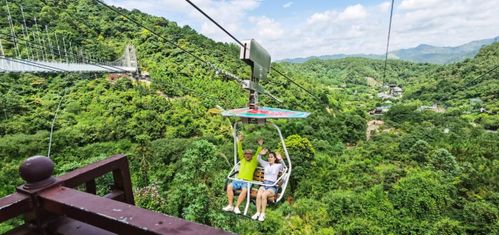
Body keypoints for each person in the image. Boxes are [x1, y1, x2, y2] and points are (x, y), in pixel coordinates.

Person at [222, 134, 263, 214]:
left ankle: (237, 207)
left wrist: (260, 145)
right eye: (246, 154)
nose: (247, 155)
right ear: (244, 155)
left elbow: (258, 153)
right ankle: (230, 205)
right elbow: (239, 150)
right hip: (238, 180)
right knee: (229, 186)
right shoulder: (242, 159)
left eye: (249, 154)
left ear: (251, 156)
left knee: (244, 190)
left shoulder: (254, 161)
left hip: (247, 182)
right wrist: (239, 142)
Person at [251, 150, 283, 221]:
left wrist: (280, 159)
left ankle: (263, 214)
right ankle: (257, 212)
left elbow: (284, 167)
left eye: (271, 157)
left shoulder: (278, 166)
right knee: (259, 195)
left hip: (272, 185)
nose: (270, 158)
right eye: (269, 157)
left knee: (264, 195)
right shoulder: (266, 164)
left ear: (275, 158)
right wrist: (260, 154)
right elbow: (258, 159)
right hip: (264, 184)